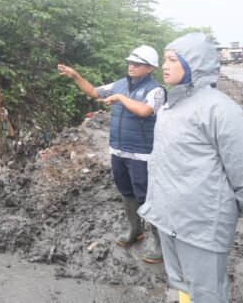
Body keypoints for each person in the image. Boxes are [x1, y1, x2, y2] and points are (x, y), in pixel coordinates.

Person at [138, 33, 243, 303]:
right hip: (168, 213)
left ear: (194, 63)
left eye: (172, 59)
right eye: (164, 59)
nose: (165, 65)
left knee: (207, 290)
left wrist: (231, 210)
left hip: (202, 219)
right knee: (179, 279)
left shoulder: (220, 110)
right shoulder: (171, 106)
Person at [57, 45, 166, 264]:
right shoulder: (119, 84)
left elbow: (145, 111)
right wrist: (75, 75)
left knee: (147, 196)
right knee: (126, 191)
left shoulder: (156, 91)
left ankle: (160, 242)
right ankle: (135, 230)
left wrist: (120, 98)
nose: (131, 66)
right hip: (118, 150)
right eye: (130, 62)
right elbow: (94, 92)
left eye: (137, 63)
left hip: (142, 154)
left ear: (150, 68)